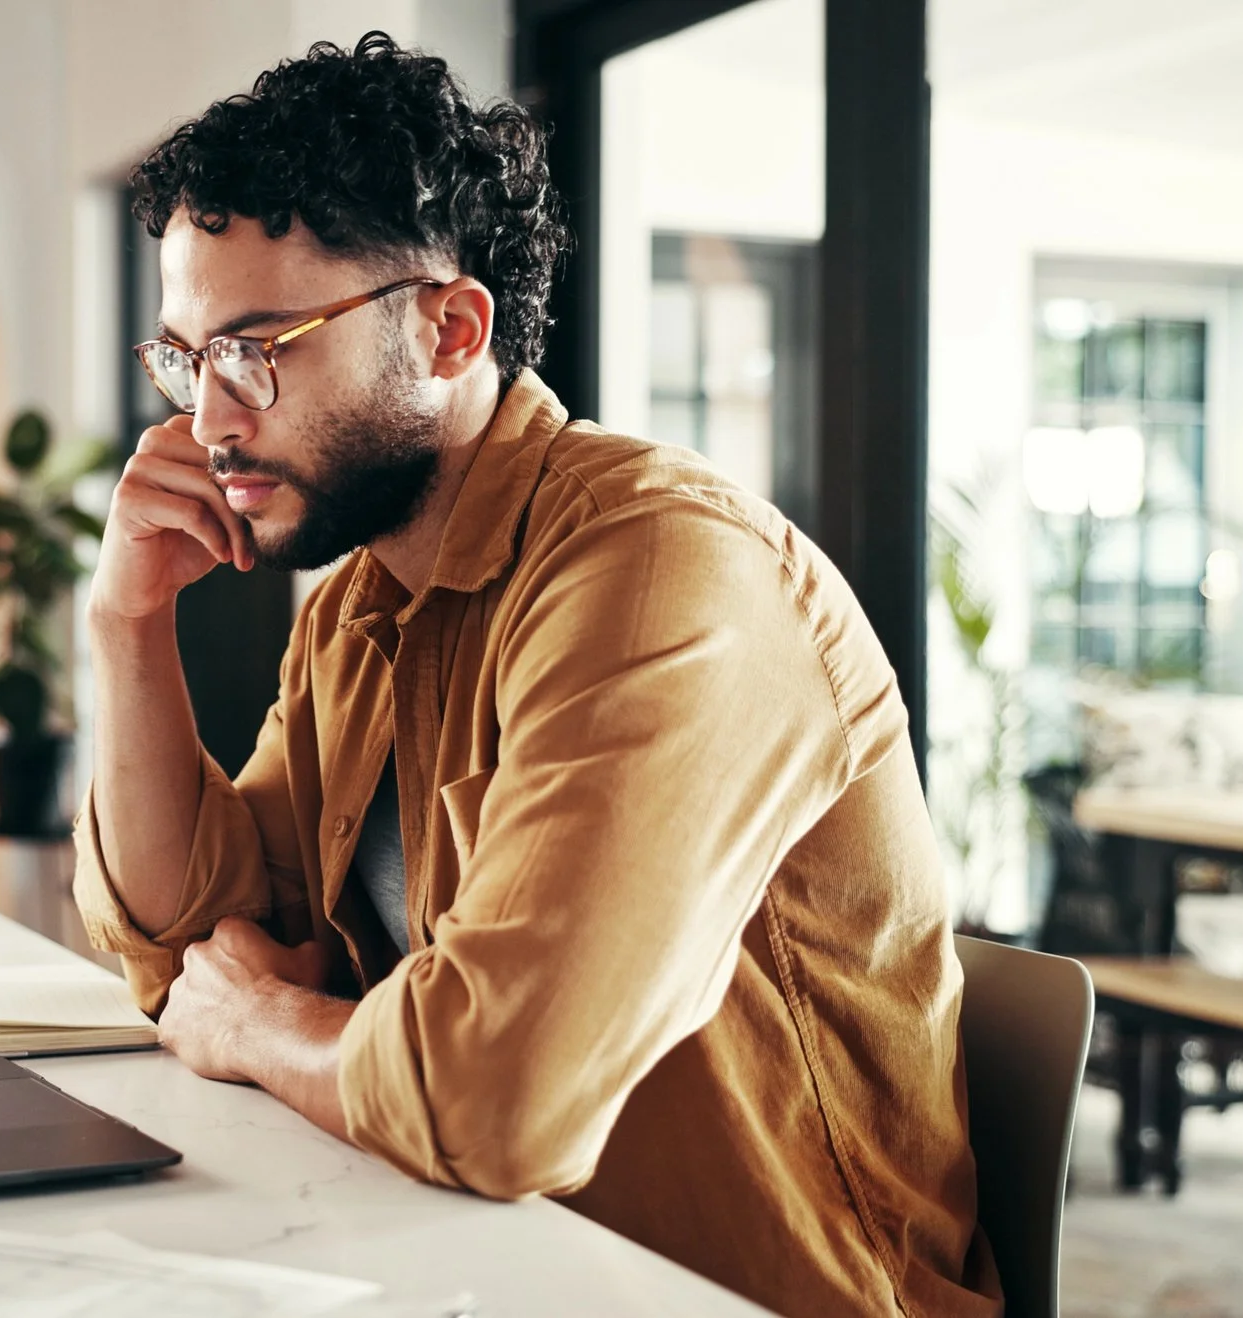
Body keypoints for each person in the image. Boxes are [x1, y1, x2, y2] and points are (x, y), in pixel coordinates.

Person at [72, 32, 1001, 1316]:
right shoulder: (359, 601)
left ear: (451, 330)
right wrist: (125, 626)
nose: (207, 420)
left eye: (259, 346)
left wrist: (260, 1029)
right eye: (188, 358)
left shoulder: (661, 569)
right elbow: (200, 941)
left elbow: (492, 1097)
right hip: (466, 1262)